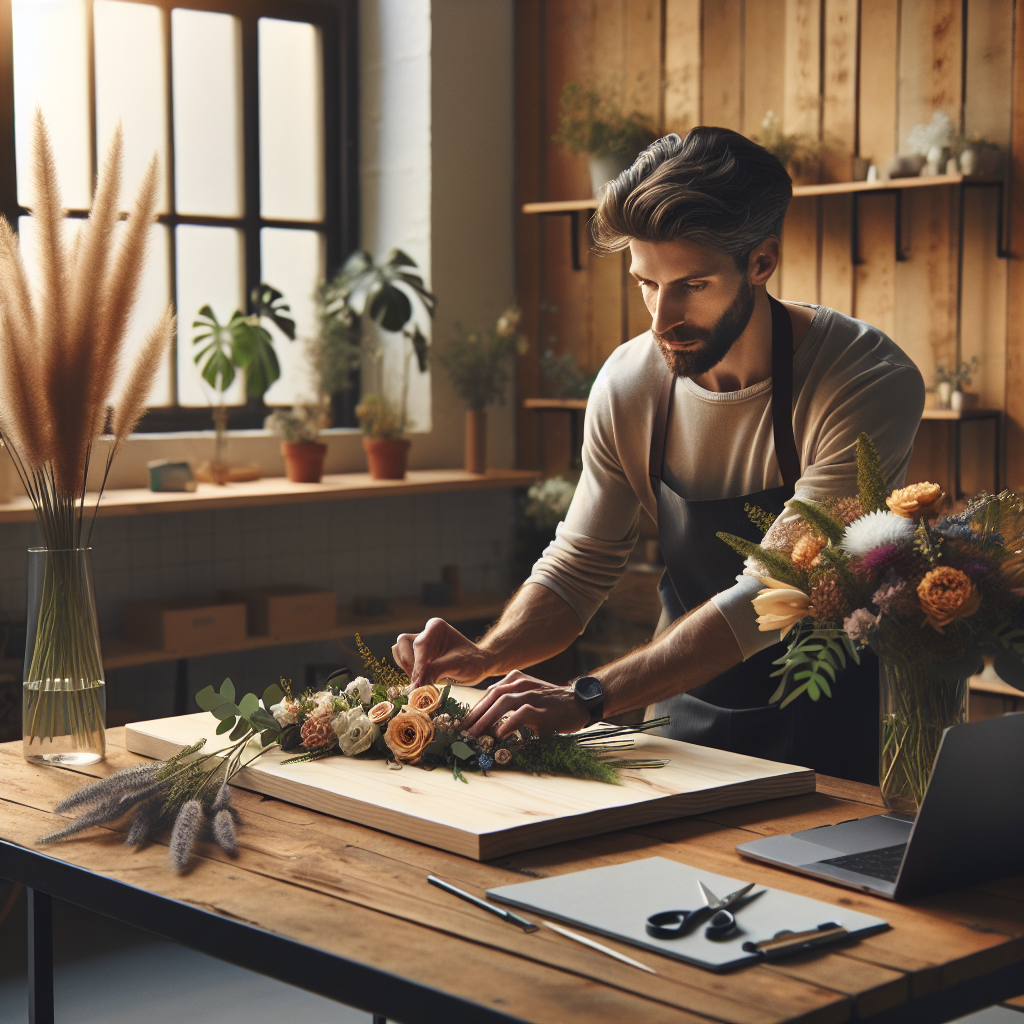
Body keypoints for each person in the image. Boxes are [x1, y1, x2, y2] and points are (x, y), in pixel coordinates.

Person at [393, 128, 925, 783]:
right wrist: (488, 654)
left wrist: (588, 697)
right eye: (647, 284)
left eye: (692, 285)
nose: (661, 317)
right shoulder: (631, 384)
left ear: (761, 262)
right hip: (682, 718)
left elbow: (772, 593)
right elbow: (580, 568)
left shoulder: (865, 380)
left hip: (827, 721)